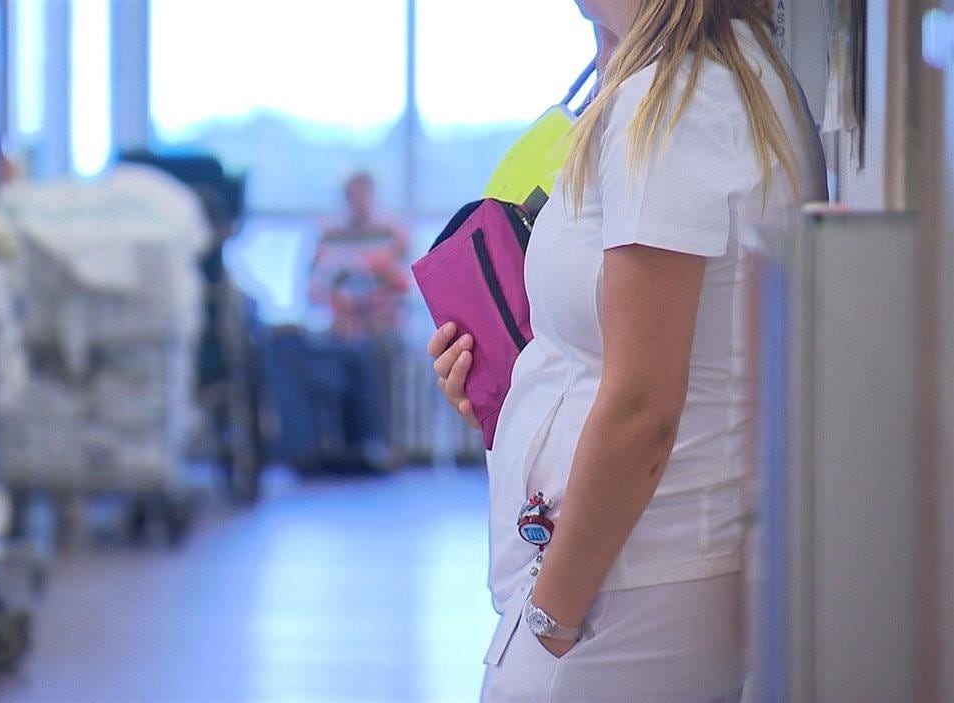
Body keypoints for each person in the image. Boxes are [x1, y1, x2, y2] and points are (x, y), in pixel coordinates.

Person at [426, 1, 826, 700]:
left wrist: (550, 617)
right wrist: (511, 386)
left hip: (621, 586)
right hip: (631, 576)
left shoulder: (676, 103)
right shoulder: (690, 81)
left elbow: (644, 407)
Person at [307, 172, 410, 471]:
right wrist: (341, 311)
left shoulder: (391, 234)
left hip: (380, 324)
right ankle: (328, 446)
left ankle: (378, 442)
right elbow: (314, 291)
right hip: (339, 324)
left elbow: (405, 286)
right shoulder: (328, 236)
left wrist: (368, 305)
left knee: (373, 353)